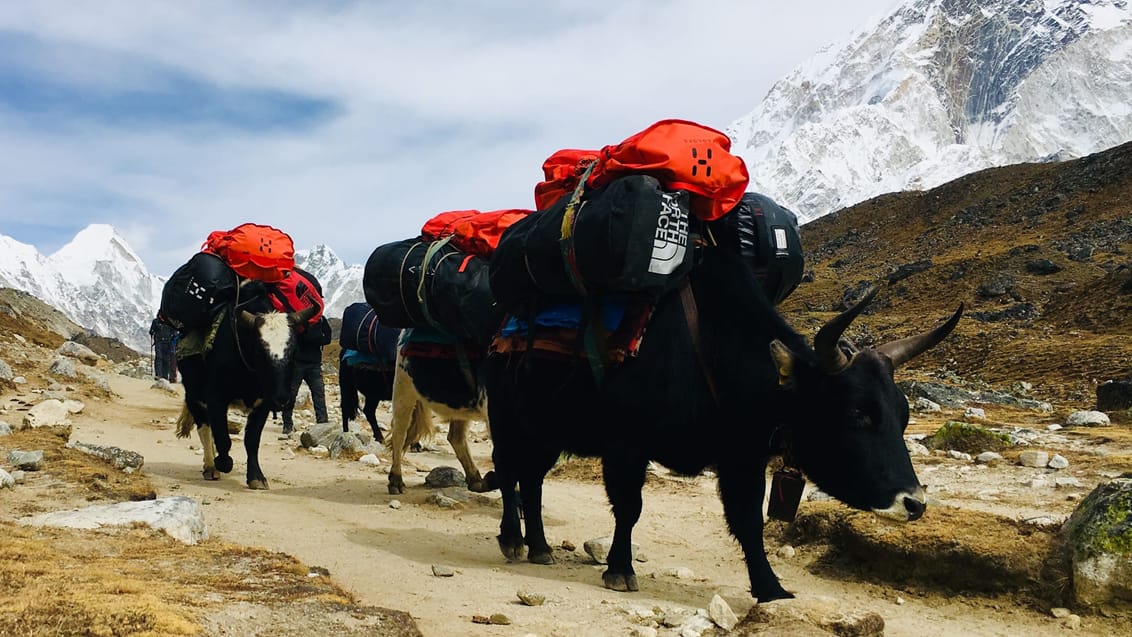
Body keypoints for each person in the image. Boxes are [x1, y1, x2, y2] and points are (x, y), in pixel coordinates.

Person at [280, 267, 333, 435]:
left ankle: (320, 423)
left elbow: (327, 338)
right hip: (303, 361)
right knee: (298, 394)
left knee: (314, 394)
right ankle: (289, 423)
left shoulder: (305, 321)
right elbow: (327, 337)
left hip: (308, 362)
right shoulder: (307, 320)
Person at [149, 315, 179, 382]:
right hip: (158, 341)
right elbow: (151, 331)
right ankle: (158, 375)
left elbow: (174, 331)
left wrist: (174, 336)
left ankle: (165, 376)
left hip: (168, 342)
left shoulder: (170, 322)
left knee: (166, 359)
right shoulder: (156, 321)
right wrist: (152, 331)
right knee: (159, 357)